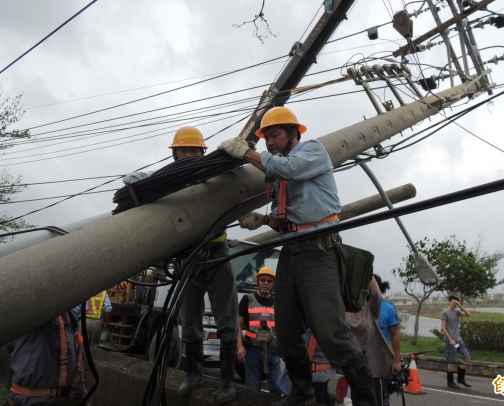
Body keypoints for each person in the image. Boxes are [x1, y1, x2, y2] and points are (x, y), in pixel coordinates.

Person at [218, 106, 377, 406]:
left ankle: (367, 399)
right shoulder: (279, 168)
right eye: (266, 139)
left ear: (293, 133)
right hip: (292, 251)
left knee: (330, 331)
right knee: (287, 330)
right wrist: (264, 221)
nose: (270, 143)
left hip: (319, 250)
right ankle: (302, 390)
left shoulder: (312, 152)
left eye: (274, 135)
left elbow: (286, 169)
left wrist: (246, 153)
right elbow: (290, 219)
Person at [125, 125, 238, 403]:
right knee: (189, 321)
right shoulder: (169, 182)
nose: (187, 155)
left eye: (192, 150)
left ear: (202, 152)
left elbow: (237, 179)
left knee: (226, 321)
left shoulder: (214, 176)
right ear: (174, 155)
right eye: (182, 150)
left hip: (216, 253)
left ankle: (226, 381)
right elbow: (137, 181)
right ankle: (194, 372)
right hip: (188, 259)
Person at [7, 311, 90, 406]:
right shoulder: (38, 309)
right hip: (31, 402)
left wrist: (81, 391)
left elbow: (73, 358)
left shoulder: (70, 316)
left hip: (64, 401)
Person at [237, 266, 290, 395]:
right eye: (262, 280)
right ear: (258, 281)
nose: (265, 283)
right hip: (252, 351)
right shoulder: (248, 299)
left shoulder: (278, 303)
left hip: (273, 353)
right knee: (252, 389)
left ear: (273, 284)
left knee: (277, 389)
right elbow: (237, 325)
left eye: (269, 281)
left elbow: (284, 328)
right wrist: (239, 347)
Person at [345, 276, 394, 406]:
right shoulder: (345, 308)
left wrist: (364, 268)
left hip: (370, 371)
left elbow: (376, 293)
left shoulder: (372, 309)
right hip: (350, 369)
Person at [374, 276, 402, 406]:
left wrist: (396, 361)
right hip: (362, 360)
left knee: (382, 396)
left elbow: (395, 335)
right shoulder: (359, 307)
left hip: (383, 361)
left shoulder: (388, 309)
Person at [441, 295, 472, 389]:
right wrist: (450, 339)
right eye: (453, 302)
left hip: (458, 340)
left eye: (456, 303)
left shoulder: (457, 312)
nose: (455, 304)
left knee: (467, 358)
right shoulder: (445, 312)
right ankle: (450, 382)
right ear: (449, 302)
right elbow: (443, 328)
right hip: (450, 341)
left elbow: (469, 315)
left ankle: (460, 378)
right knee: (451, 361)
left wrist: (460, 305)